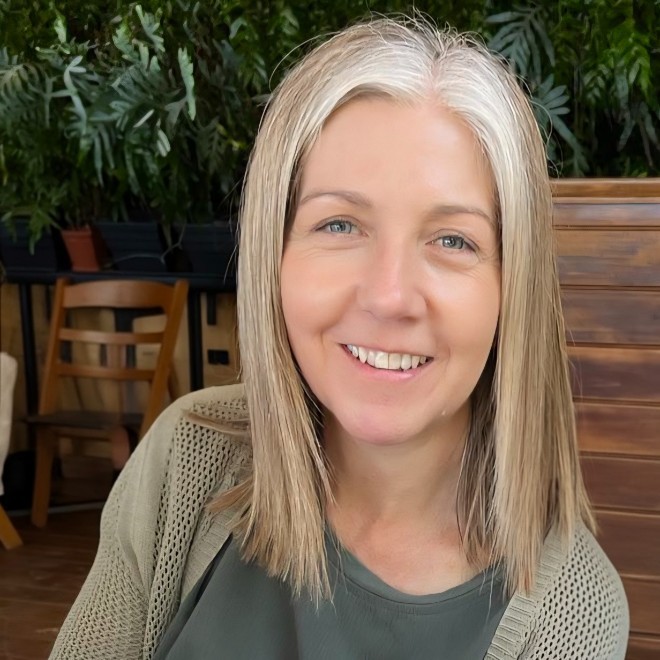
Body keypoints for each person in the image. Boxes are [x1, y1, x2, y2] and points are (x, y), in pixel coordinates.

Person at [50, 17, 629, 659]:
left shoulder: (572, 609)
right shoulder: (188, 458)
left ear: (511, 289)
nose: (389, 296)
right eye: (340, 225)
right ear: (275, 253)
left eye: (452, 239)